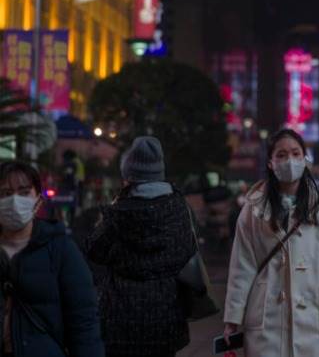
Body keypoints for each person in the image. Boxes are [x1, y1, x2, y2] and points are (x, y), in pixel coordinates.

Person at [223, 129, 319, 357]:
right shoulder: (253, 209)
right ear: (271, 163)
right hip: (265, 322)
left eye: (295, 153)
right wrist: (232, 318)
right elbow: (241, 267)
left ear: (304, 159)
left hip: (312, 322)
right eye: (281, 155)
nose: (289, 160)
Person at [86, 136, 195, 357]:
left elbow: (94, 250)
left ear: (128, 176)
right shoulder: (179, 208)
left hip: (120, 318)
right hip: (166, 316)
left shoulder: (118, 212)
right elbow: (186, 252)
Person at [0, 161, 103, 357]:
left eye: (23, 192)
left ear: (37, 200)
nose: (14, 201)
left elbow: (84, 322)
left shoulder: (61, 249)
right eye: (5, 193)